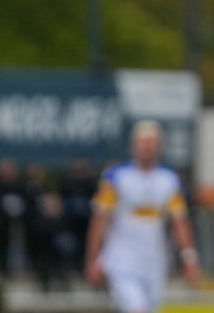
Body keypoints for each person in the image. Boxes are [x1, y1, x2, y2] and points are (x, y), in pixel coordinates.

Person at [84, 121, 200, 313]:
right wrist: (93, 259)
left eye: (152, 143)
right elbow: (99, 220)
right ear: (133, 146)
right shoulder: (115, 177)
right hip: (121, 261)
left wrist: (189, 258)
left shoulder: (169, 180)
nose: (147, 147)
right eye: (143, 142)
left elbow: (179, 221)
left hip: (154, 263)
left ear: (160, 147)